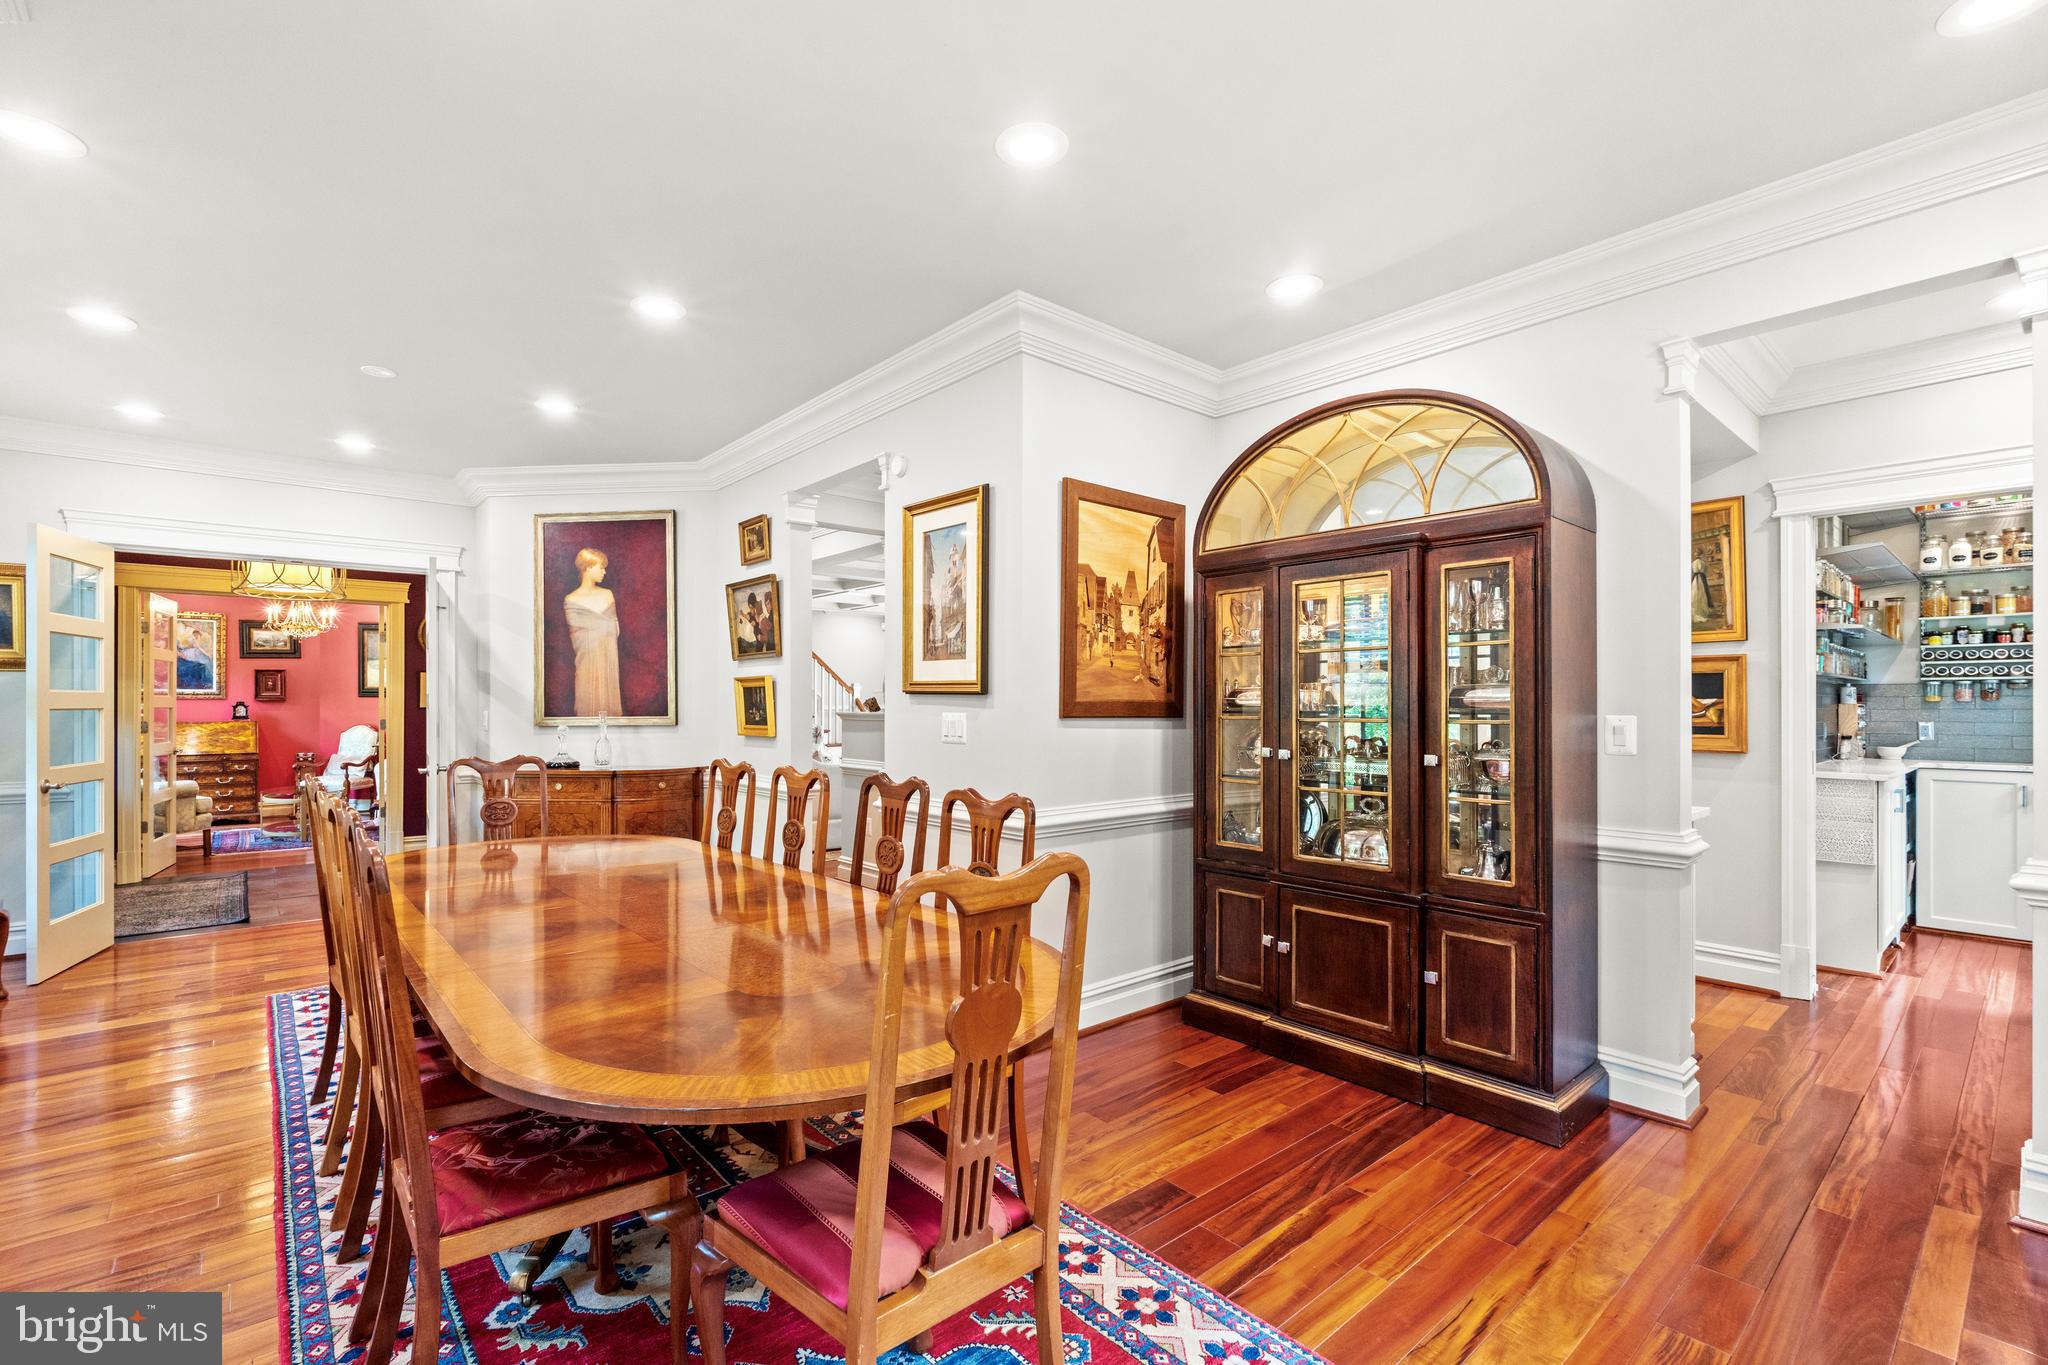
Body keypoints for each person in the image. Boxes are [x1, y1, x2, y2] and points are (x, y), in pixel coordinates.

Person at [563, 547, 622, 716]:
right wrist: (602, 628)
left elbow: (614, 630)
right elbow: (579, 641)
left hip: (608, 665)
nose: (604, 571)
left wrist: (601, 628)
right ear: (588, 568)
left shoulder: (608, 595)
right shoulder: (571, 600)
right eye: (601, 567)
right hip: (586, 665)